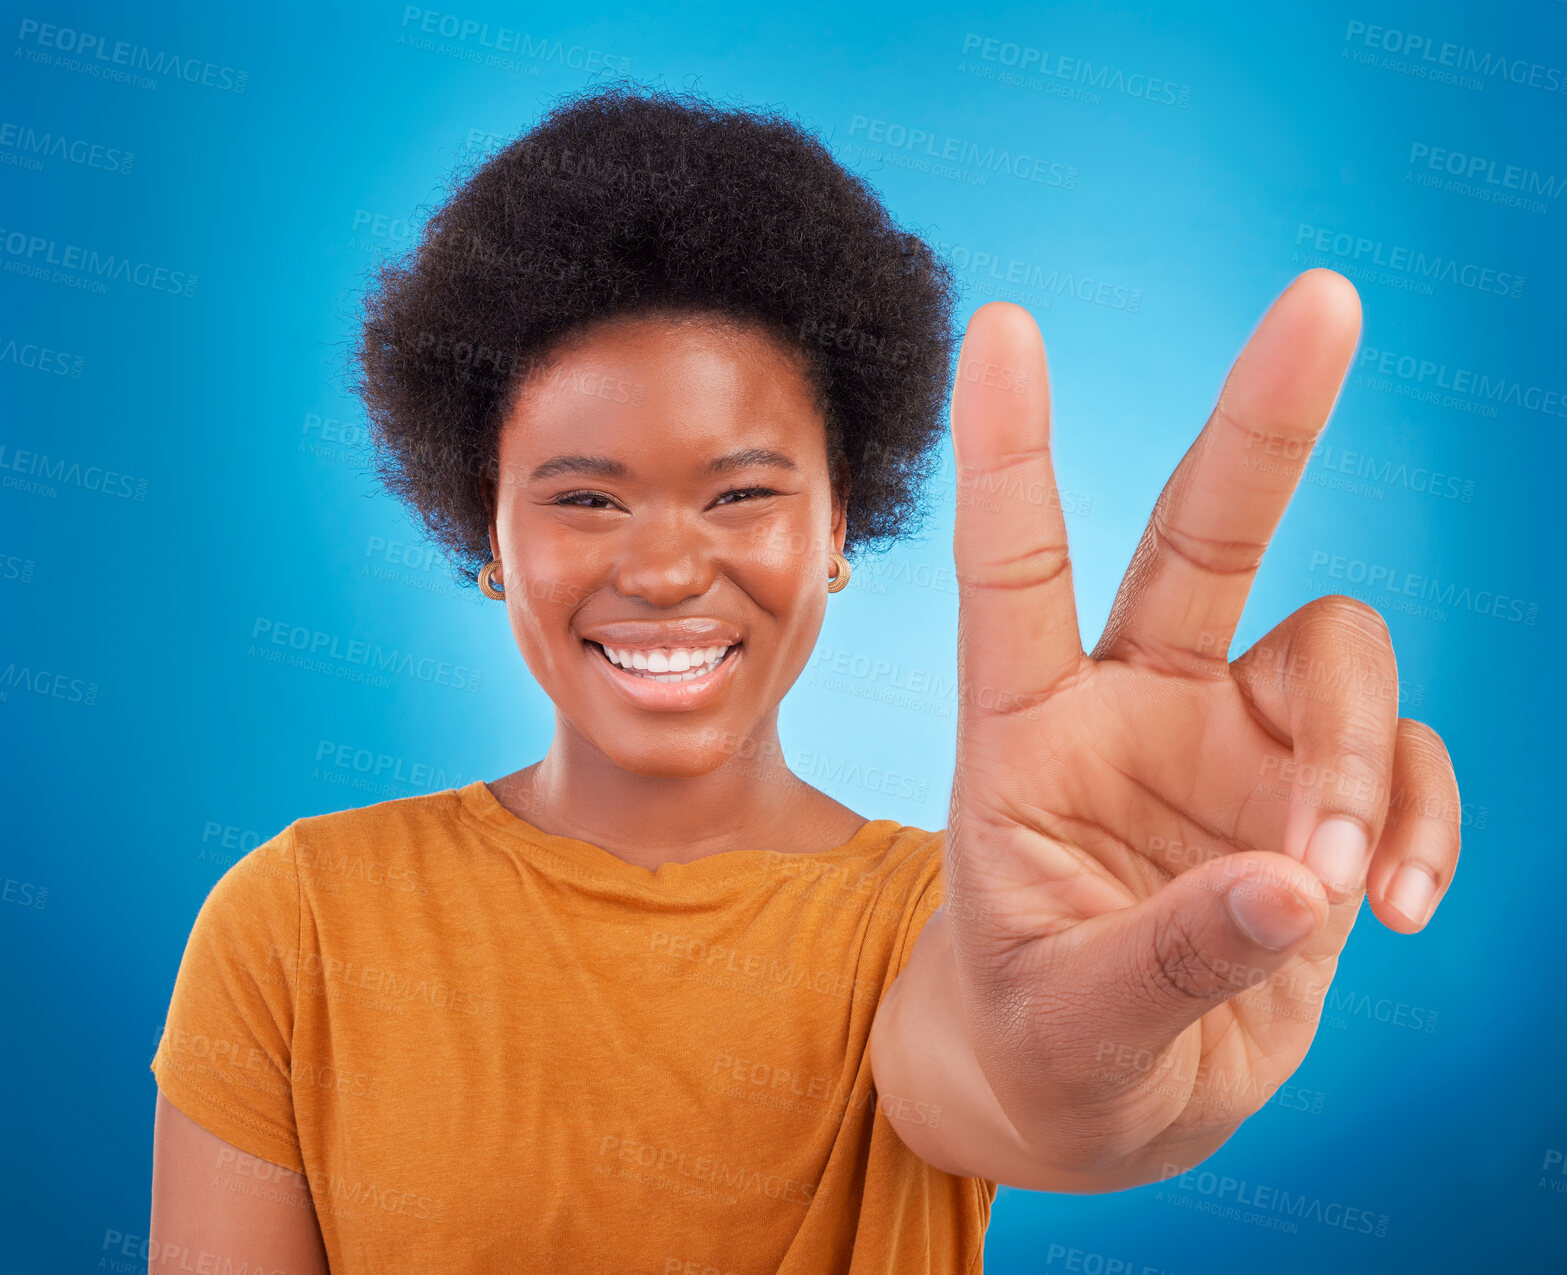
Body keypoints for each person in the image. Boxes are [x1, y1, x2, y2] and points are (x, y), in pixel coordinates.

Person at [148, 82, 1460, 1274]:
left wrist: (1096, 1053)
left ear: (840, 527)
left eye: (741, 494)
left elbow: (1003, 1062)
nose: (664, 568)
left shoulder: (948, 924)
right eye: (586, 497)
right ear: (484, 531)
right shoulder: (298, 926)